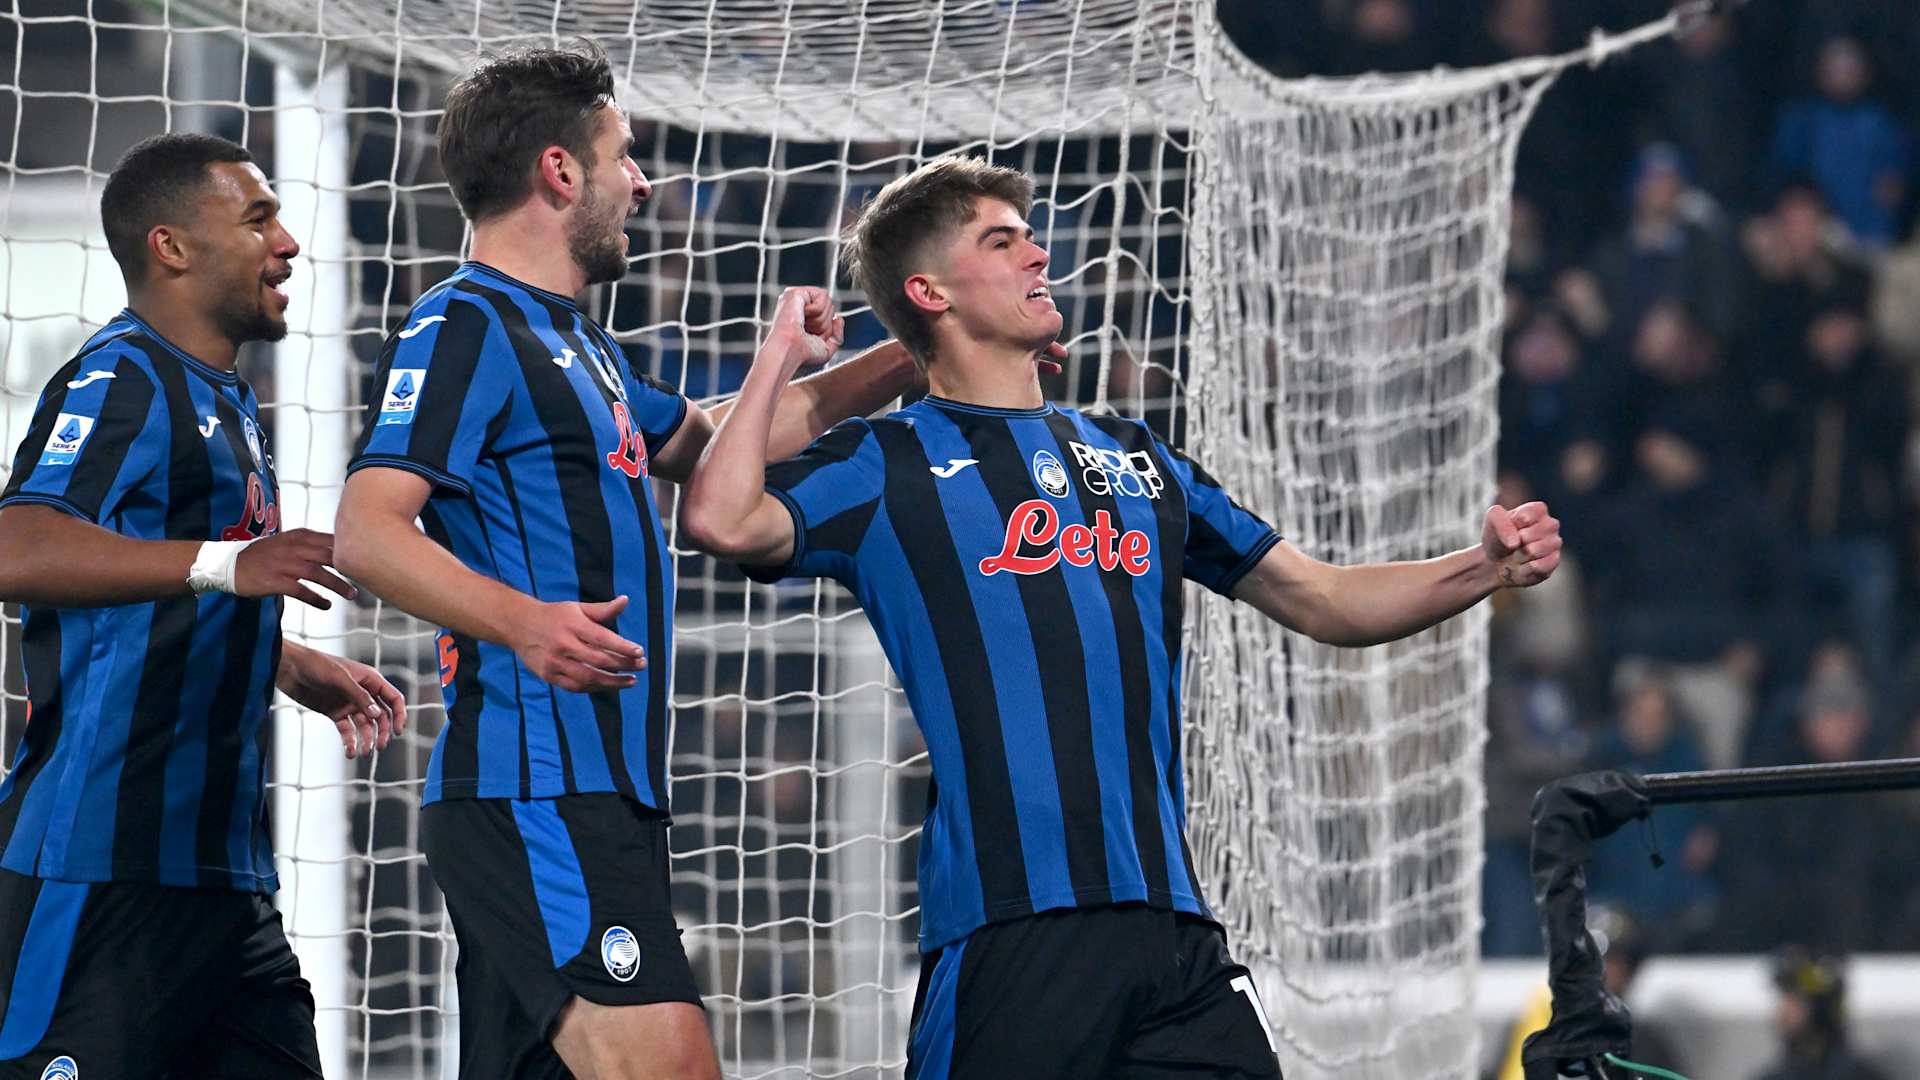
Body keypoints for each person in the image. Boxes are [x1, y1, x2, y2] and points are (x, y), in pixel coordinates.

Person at [678, 155, 1564, 1079]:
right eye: (1001, 242)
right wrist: (781, 358)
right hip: (1013, 929)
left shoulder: (1137, 458)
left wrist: (1482, 567)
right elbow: (720, 518)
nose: (1037, 255)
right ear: (929, 291)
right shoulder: (885, 463)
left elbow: (1323, 597)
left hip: (1173, 930)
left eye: (1029, 237)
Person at [332, 43, 943, 1080]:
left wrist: (910, 351)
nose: (643, 183)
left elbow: (728, 447)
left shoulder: (585, 349)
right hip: (536, 786)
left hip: (598, 793)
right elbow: (367, 530)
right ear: (560, 172)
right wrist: (526, 622)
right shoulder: (463, 323)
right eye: (623, 154)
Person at [0, 132, 405, 1078]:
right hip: (103, 870)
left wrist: (277, 656)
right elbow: (17, 545)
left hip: (224, 883)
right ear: (171, 247)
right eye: (258, 220)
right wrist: (229, 568)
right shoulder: (122, 377)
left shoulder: (226, 401)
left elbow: (153, 590)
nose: (288, 244)